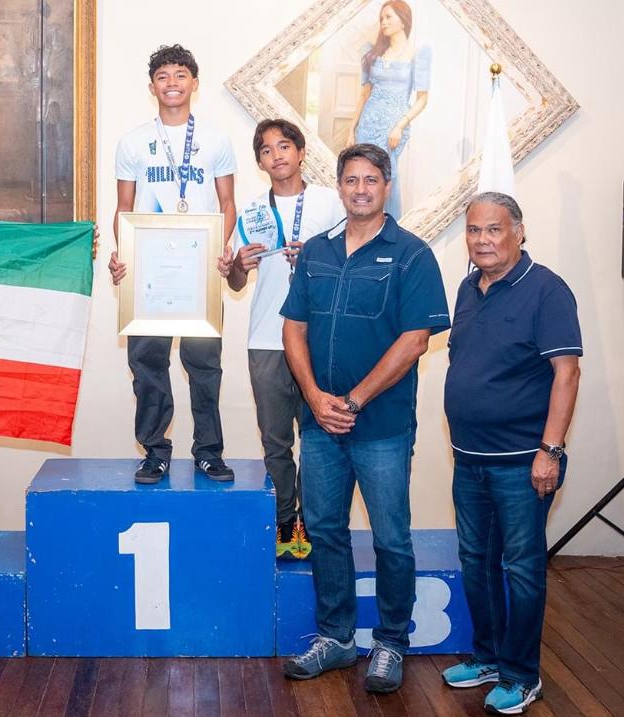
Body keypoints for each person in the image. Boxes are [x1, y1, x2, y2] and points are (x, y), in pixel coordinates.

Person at [280, 143, 449, 692]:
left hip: (380, 427)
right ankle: (336, 638)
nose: (360, 189)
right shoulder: (317, 252)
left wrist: (352, 401)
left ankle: (391, 643)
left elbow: (415, 340)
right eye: (350, 180)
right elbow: (293, 329)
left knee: (391, 538)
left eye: (370, 180)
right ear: (340, 186)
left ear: (387, 185)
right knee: (325, 530)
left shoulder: (412, 254)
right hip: (321, 424)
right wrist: (314, 396)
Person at [440, 193, 581, 715]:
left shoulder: (546, 289)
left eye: (493, 230)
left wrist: (550, 450)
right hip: (469, 458)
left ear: (519, 232)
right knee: (475, 562)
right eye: (474, 231)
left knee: (521, 567)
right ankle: (489, 657)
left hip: (524, 462)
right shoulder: (467, 288)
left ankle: (522, 675)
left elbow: (566, 373)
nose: (482, 240)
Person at [109, 44, 237, 484]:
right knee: (147, 365)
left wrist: (223, 247)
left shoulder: (215, 139)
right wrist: (121, 256)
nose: (172, 83)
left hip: (200, 271)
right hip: (148, 274)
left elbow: (227, 202)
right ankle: (155, 451)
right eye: (163, 76)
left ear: (194, 83)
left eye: (181, 75)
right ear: (152, 86)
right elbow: (124, 207)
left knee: (205, 366)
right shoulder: (132, 141)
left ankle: (208, 451)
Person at [223, 119, 345, 560]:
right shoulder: (253, 212)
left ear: (300, 152)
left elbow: (349, 264)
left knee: (316, 438)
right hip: (266, 338)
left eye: (285, 146)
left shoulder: (331, 204)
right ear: (260, 161)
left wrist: (315, 256)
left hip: (318, 339)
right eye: (267, 150)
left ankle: (313, 524)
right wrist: (239, 262)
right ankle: (283, 521)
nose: (277, 155)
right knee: (276, 440)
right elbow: (236, 283)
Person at [347, 0, 431, 219]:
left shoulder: (418, 52)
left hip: (393, 127)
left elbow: (422, 100)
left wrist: (400, 126)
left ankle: (390, 231)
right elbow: (364, 94)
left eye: (388, 17)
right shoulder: (372, 52)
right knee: (362, 174)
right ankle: (361, 226)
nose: (383, 22)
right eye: (381, 18)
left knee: (387, 175)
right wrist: (351, 130)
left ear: (403, 21)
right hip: (367, 125)